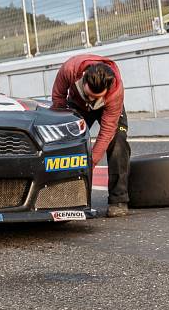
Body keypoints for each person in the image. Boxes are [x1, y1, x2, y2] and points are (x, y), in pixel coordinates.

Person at [51, 54, 130, 217]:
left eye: (95, 97)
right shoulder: (70, 69)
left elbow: (107, 131)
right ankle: (64, 198)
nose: (91, 101)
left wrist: (91, 161)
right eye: (88, 95)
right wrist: (63, 126)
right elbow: (58, 99)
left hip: (107, 108)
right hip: (76, 105)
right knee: (67, 142)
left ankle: (118, 199)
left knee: (118, 142)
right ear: (83, 79)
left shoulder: (115, 92)